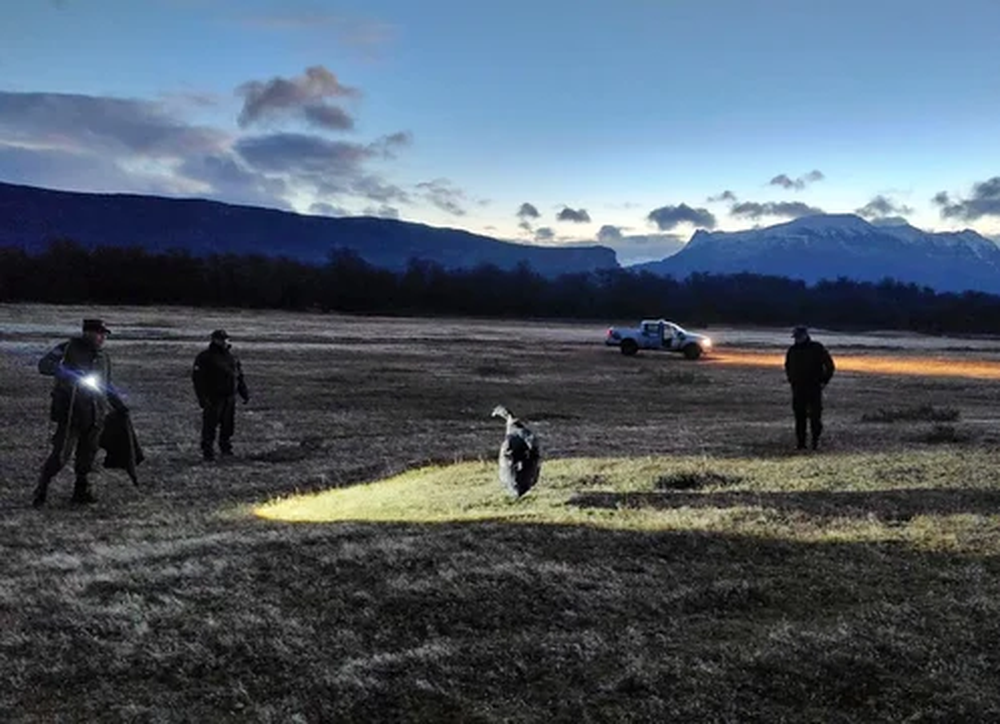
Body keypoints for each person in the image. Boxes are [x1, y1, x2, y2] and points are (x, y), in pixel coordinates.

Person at [34, 318, 126, 507]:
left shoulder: (104, 358)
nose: (102, 338)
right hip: (71, 413)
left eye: (104, 335)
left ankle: (81, 490)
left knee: (88, 456)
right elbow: (44, 365)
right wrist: (67, 373)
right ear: (88, 333)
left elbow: (106, 385)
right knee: (60, 455)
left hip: (95, 414)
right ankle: (42, 488)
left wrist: (119, 405)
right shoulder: (67, 348)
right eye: (99, 333)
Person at [192, 329, 250, 461]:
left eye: (226, 339)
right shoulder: (205, 357)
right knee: (210, 426)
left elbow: (239, 377)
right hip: (213, 397)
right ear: (214, 340)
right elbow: (198, 380)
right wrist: (202, 398)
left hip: (230, 397)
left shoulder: (232, 358)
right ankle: (208, 451)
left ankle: (226, 448)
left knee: (228, 425)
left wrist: (244, 393)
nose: (224, 341)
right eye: (221, 339)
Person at [784, 325, 835, 450]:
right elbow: (788, 366)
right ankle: (801, 443)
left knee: (815, 417)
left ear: (806, 335)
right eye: (795, 337)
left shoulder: (817, 348)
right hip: (798, 388)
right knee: (799, 417)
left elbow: (830, 366)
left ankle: (815, 442)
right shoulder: (792, 350)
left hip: (814, 387)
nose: (797, 339)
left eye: (799, 336)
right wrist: (792, 380)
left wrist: (824, 381)